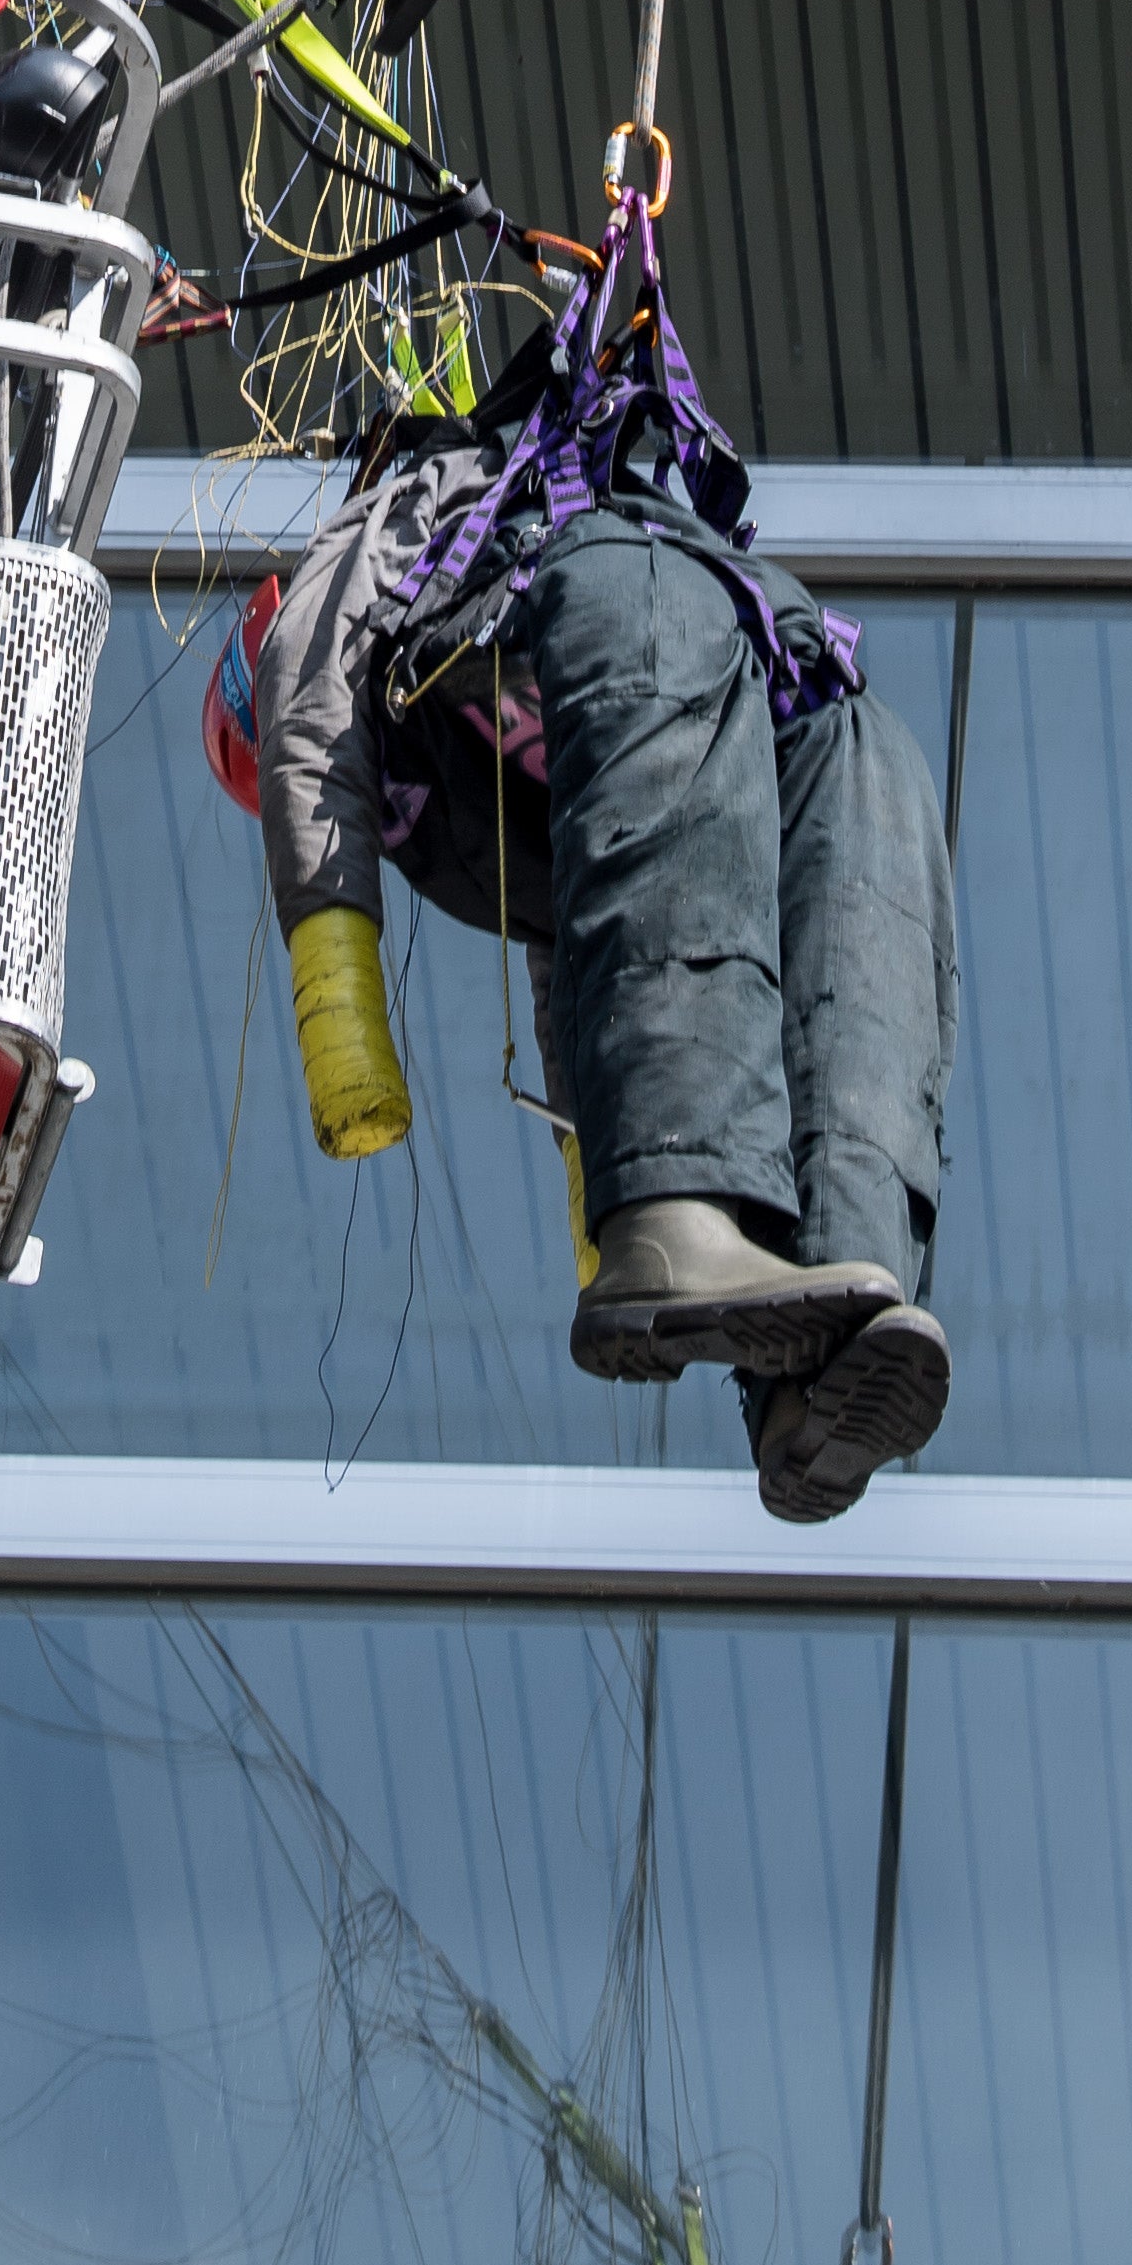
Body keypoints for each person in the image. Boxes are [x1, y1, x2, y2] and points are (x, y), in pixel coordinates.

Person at [213, 219, 957, 1525]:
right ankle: (678, 1208)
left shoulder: (580, 774)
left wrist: (590, 1198)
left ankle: (841, 1305)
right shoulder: (395, 534)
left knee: (859, 756)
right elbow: (311, 724)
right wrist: (341, 1012)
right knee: (651, 585)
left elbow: (593, 954)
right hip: (515, 652)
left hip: (630, 718)